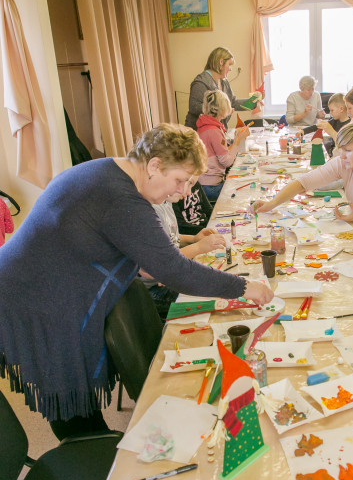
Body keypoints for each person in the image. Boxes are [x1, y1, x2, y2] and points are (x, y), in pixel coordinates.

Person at [0, 124, 273, 439]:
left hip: (44, 286)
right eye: (180, 180)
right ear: (154, 165)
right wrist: (245, 288)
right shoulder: (121, 198)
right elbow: (173, 270)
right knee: (68, 390)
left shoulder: (112, 173)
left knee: (77, 397)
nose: (184, 192)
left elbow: (148, 264)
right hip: (31, 297)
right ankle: (88, 454)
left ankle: (90, 444)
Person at [252, 121, 353, 258]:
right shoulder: (345, 164)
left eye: (348, 150)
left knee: (330, 250)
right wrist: (271, 204)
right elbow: (303, 182)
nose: (342, 156)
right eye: (341, 149)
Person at [139, 196, 226, 321]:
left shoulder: (165, 202)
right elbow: (163, 262)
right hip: (154, 289)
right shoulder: (150, 211)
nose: (188, 192)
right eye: (186, 185)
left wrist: (193, 239)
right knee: (214, 297)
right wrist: (198, 247)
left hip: (170, 275)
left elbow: (171, 238)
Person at [197, 89, 250, 203]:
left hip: (204, 183)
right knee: (246, 191)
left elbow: (221, 152)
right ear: (223, 108)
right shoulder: (213, 131)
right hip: (211, 186)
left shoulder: (205, 125)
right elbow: (226, 162)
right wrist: (238, 140)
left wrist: (235, 140)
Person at [184, 47, 250, 131]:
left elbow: (233, 102)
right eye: (229, 64)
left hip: (215, 131)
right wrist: (222, 109)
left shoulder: (224, 82)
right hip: (199, 133)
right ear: (221, 62)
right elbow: (194, 107)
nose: (230, 69)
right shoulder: (201, 82)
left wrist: (253, 102)